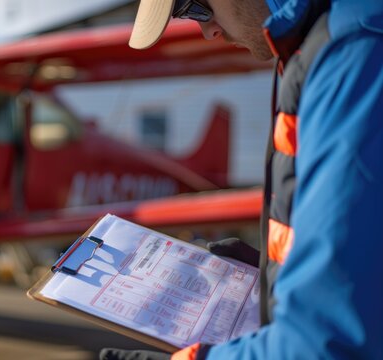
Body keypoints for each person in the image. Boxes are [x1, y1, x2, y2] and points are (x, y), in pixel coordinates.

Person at [101, 0, 383, 358]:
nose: (208, 31)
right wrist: (277, 275)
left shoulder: (352, 53)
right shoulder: (320, 40)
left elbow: (323, 343)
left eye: (195, 8)